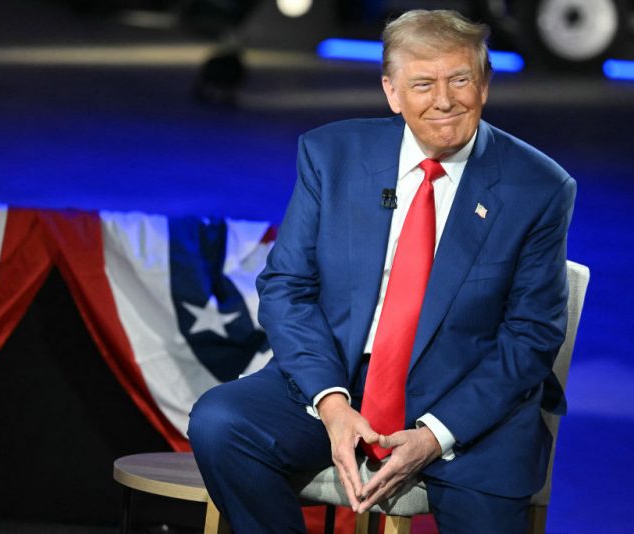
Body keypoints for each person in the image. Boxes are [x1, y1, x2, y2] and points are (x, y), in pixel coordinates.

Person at [188, 9, 575, 533]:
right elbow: (287, 287)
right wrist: (330, 402)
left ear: (484, 85)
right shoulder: (332, 155)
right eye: (423, 84)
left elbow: (531, 335)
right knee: (221, 423)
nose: (444, 99)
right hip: (343, 376)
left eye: (460, 79)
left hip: (466, 402)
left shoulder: (538, 187)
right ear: (392, 93)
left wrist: (436, 434)